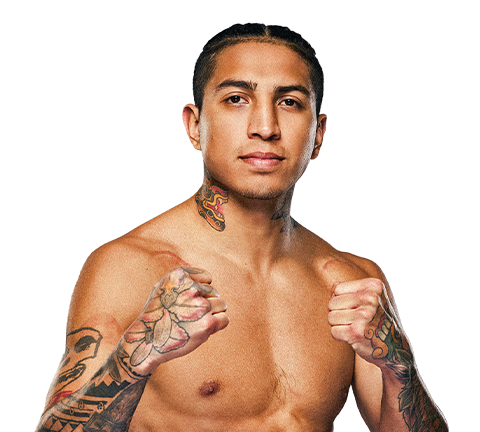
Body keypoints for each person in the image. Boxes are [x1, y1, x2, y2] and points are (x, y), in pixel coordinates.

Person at [36, 23, 448, 431]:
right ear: (194, 126)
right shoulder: (129, 268)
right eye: (236, 99)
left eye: (289, 102)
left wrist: (400, 367)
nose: (265, 127)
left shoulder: (350, 280)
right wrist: (134, 357)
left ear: (319, 135)